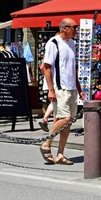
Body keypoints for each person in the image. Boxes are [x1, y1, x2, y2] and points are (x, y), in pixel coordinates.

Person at [38, 18, 85, 165]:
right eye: (73, 27)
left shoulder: (72, 43)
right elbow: (46, 67)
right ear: (64, 28)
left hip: (71, 87)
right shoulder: (53, 42)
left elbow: (73, 68)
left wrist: (79, 88)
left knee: (68, 122)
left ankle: (60, 154)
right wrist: (51, 90)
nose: (76, 30)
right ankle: (46, 144)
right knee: (64, 118)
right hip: (60, 87)